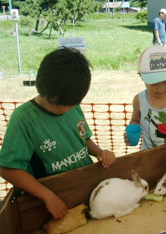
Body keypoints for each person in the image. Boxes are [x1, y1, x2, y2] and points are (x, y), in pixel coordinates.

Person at [0, 48, 116, 219]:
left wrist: (99, 152)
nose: (66, 109)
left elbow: (83, 139)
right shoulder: (24, 119)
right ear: (40, 87)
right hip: (54, 201)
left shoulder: (71, 103)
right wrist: (47, 196)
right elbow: (8, 169)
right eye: (59, 105)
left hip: (86, 188)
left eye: (72, 104)